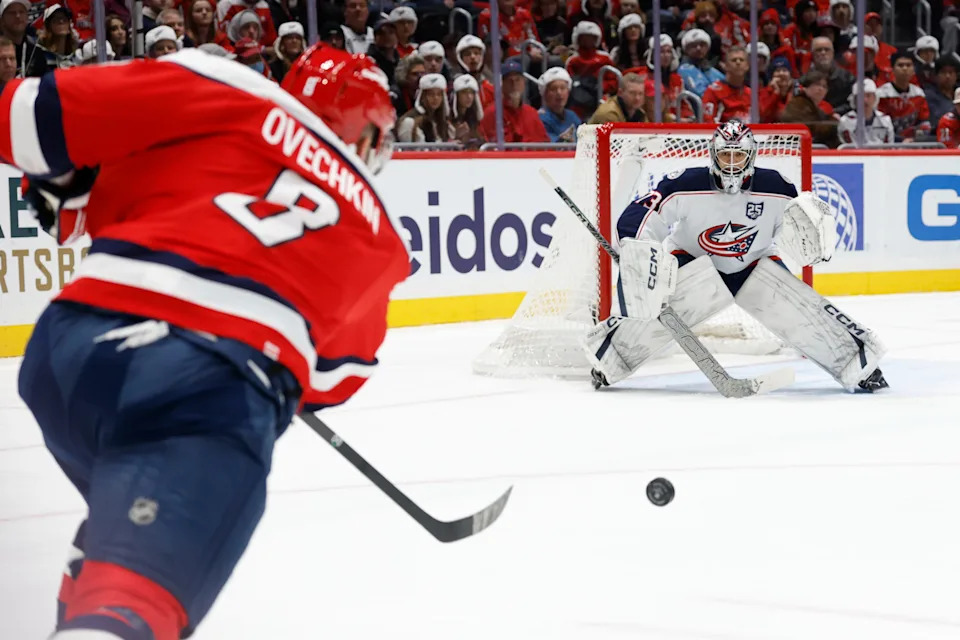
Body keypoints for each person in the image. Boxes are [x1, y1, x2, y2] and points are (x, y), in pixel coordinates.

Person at [7, 43, 407, 640]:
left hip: (68, 349)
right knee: (131, 607)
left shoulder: (222, 85)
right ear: (368, 134)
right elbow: (331, 380)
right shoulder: (380, 234)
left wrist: (67, 178)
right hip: (201, 385)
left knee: (121, 524)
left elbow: (26, 120)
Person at [585, 120, 887, 394]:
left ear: (751, 155)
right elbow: (643, 213)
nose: (731, 163)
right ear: (713, 154)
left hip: (754, 263)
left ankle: (859, 366)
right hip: (693, 259)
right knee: (655, 315)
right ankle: (607, 362)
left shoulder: (777, 187)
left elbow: (795, 224)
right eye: (725, 155)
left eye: (738, 155)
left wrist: (812, 232)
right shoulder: (685, 183)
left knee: (801, 309)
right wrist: (639, 247)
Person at [480, 58, 549, 142]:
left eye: (518, 79)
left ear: (524, 83)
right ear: (501, 85)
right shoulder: (492, 113)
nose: (514, 84)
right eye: (509, 80)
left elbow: (544, 143)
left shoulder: (531, 113)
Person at [877, 50, 931, 142]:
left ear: (914, 70)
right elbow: (879, 126)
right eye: (900, 65)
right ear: (892, 69)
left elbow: (924, 122)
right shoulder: (881, 94)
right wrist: (900, 140)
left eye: (909, 65)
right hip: (887, 143)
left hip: (913, 143)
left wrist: (915, 139)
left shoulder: (919, 94)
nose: (905, 68)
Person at [781, 70, 840, 147]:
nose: (821, 89)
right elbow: (810, 129)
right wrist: (833, 122)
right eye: (817, 84)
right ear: (805, 87)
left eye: (824, 86)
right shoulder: (797, 104)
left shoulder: (815, 108)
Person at [396, 72, 456, 142]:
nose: (435, 98)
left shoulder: (444, 122)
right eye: (431, 94)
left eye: (439, 94)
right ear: (422, 96)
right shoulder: (409, 122)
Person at [702, 45, 751, 123]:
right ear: (726, 66)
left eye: (741, 60)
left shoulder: (751, 93)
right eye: (734, 60)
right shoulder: (713, 91)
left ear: (747, 66)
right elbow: (707, 122)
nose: (738, 62)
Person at [837, 78, 894, 145]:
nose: (865, 100)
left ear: (875, 98)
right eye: (861, 96)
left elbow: (889, 148)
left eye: (868, 96)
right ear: (854, 99)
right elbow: (849, 148)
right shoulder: (845, 121)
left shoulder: (885, 120)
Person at [538, 66, 581, 142]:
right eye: (553, 89)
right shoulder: (539, 118)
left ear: (568, 92)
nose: (559, 93)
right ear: (545, 94)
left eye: (563, 88)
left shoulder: (572, 116)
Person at [677, 28, 723, 97]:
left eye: (702, 45)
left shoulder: (710, 69)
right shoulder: (684, 69)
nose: (698, 48)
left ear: (707, 48)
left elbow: (727, 85)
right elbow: (701, 94)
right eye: (693, 45)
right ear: (686, 49)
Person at [37, 4, 78, 69]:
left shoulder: (76, 55)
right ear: (48, 26)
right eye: (56, 19)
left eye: (64, 19)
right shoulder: (40, 56)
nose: (61, 21)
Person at [450, 73, 484, 148]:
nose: (469, 96)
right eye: (464, 92)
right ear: (456, 95)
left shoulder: (475, 120)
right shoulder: (448, 119)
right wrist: (456, 136)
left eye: (471, 92)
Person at [925, 57, 960, 127]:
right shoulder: (929, 96)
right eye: (943, 72)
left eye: (951, 72)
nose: (947, 76)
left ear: (956, 75)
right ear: (936, 75)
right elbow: (936, 120)